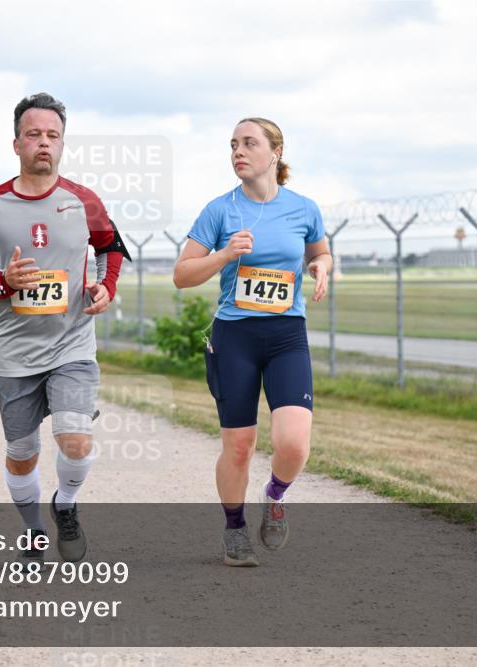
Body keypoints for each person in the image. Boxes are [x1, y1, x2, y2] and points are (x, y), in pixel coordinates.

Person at [0, 93, 127, 564]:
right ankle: (33, 527)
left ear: (62, 144)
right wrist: (2, 281)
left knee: (76, 439)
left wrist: (105, 286)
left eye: (52, 136)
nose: (44, 143)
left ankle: (67, 506)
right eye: (34, 134)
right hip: (14, 351)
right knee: (22, 452)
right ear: (16, 143)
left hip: (72, 342)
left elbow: (111, 248)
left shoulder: (83, 200)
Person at [173, 116, 331, 567]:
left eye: (249, 143)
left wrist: (322, 266)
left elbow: (319, 250)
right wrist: (224, 254)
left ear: (275, 153)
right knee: (239, 445)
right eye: (233, 145)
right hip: (235, 336)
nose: (238, 152)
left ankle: (275, 496)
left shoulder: (303, 208)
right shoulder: (219, 210)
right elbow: (182, 275)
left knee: (294, 443)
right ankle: (235, 528)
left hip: (286, 336)